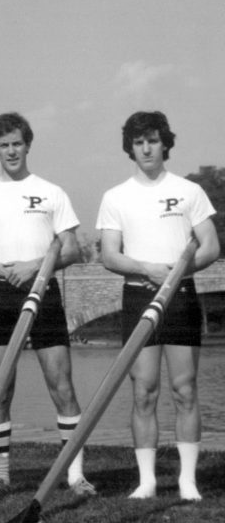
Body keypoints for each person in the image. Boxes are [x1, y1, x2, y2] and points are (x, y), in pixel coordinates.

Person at [0, 112, 95, 496]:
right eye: (4, 145)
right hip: (3, 297)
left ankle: (74, 475)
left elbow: (72, 248)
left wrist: (35, 266)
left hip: (45, 294)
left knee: (62, 386)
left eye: (17, 143)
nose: (11, 151)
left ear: (28, 145)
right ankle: (1, 477)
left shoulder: (51, 191)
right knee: (0, 390)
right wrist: (7, 272)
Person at [96, 111, 219, 501]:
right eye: (138, 142)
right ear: (129, 148)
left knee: (185, 390)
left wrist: (179, 271)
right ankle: (147, 480)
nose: (146, 148)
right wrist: (146, 268)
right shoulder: (115, 197)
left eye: (152, 140)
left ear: (165, 143)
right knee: (144, 391)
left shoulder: (189, 191)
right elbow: (110, 256)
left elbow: (211, 246)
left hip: (180, 297)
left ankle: (187, 480)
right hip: (138, 297)